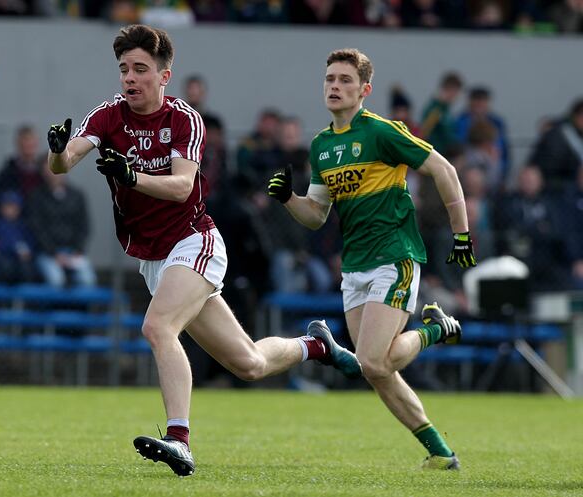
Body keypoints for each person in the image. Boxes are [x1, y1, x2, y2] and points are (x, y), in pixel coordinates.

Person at [45, 24, 361, 477]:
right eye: (123, 70)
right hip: (155, 260)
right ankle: (316, 346)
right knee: (248, 364)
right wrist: (58, 152)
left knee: (157, 327)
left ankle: (179, 440)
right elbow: (64, 162)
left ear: (164, 75)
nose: (130, 79)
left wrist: (132, 176)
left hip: (195, 242)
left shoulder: (184, 119)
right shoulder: (109, 115)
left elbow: (180, 187)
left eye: (140, 69)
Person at [267, 48, 477, 470]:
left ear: (365, 90)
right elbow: (316, 214)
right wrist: (287, 197)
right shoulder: (322, 146)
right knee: (375, 371)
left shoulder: (382, 132)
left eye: (345, 80)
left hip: (395, 256)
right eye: (329, 79)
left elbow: (444, 169)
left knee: (373, 361)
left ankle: (435, 330)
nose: (334, 86)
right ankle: (441, 452)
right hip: (355, 265)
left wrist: (462, 234)